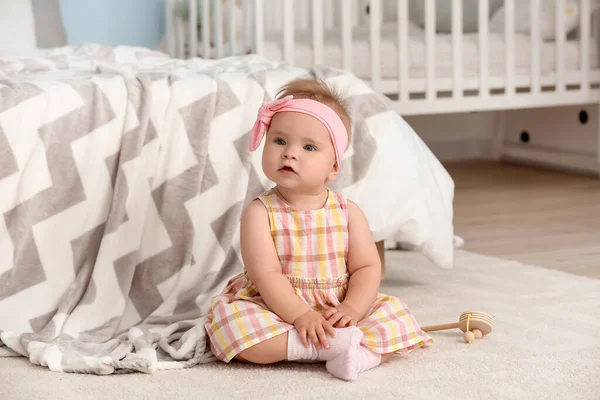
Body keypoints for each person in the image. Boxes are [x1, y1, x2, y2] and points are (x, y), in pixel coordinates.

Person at [204, 78, 432, 381]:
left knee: (399, 318)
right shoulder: (259, 213)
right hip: (277, 307)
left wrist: (352, 307)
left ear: (333, 168)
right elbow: (266, 275)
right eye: (280, 141)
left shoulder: (348, 212)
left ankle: (356, 353)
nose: (290, 153)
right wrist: (300, 316)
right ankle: (321, 347)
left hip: (338, 308)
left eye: (309, 147)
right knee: (229, 327)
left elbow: (366, 266)